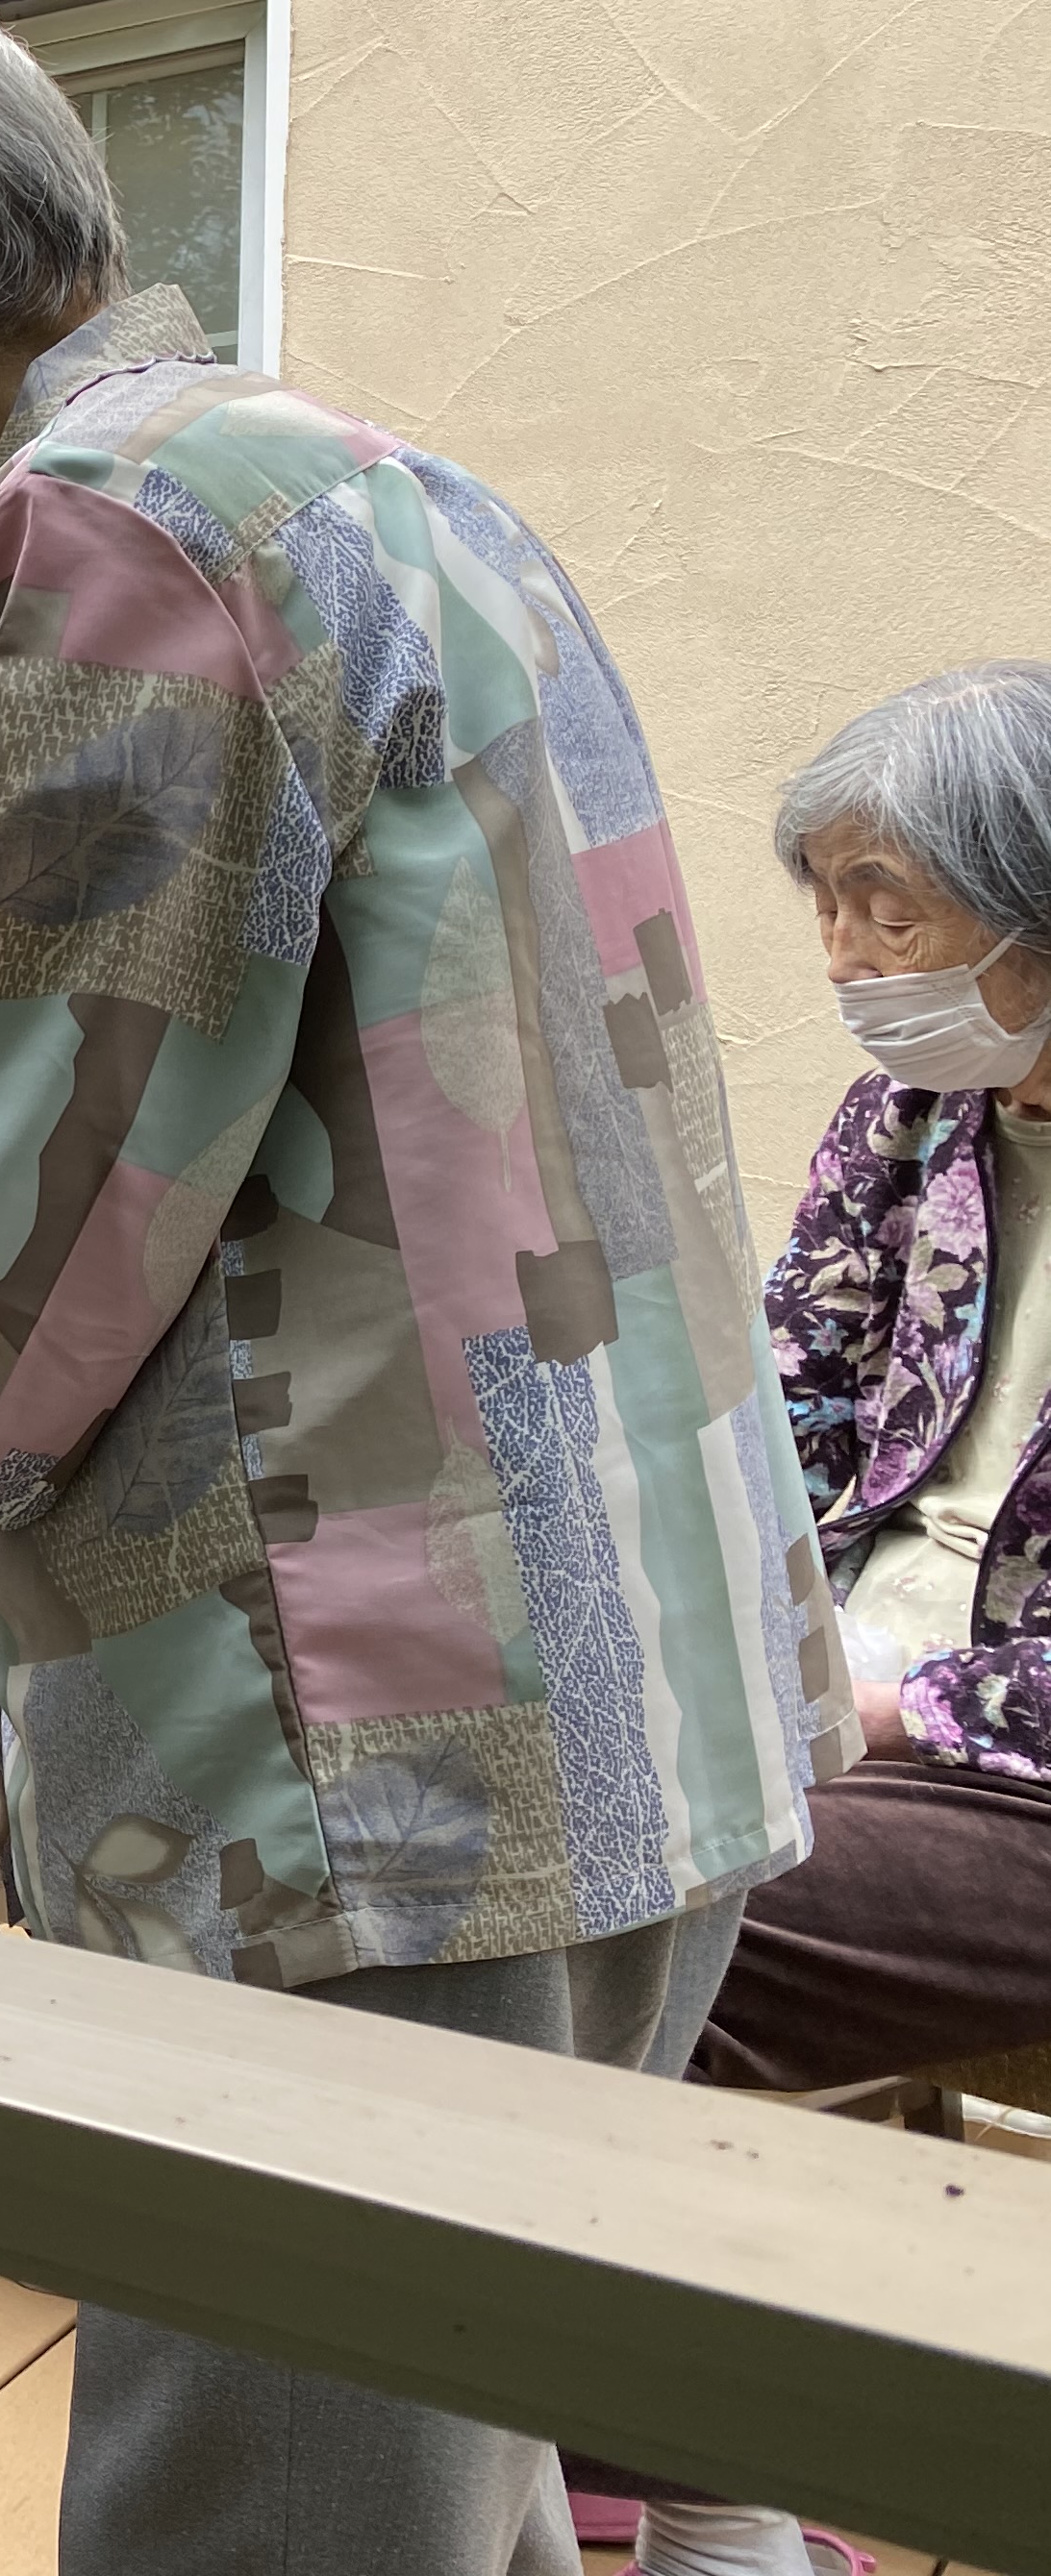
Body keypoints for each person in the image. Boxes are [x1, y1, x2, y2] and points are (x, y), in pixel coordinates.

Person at [0, 0, 849, 2576]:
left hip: (376, 1766)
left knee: (286, 2527)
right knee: (492, 2472)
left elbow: (2, 1246)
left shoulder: (104, 532)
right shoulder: (391, 483)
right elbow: (266, 1104)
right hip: (644, 1659)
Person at [546, 667, 1051, 2576]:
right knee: (526, 1807)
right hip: (845, 1697)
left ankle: (714, 2486)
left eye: (885, 901)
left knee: (694, 1909)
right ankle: (599, 2416)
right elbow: (776, 1410)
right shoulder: (913, 1125)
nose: (843, 955)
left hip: (1015, 1760)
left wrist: (916, 1696)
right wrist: (719, 1608)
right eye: (822, 899)